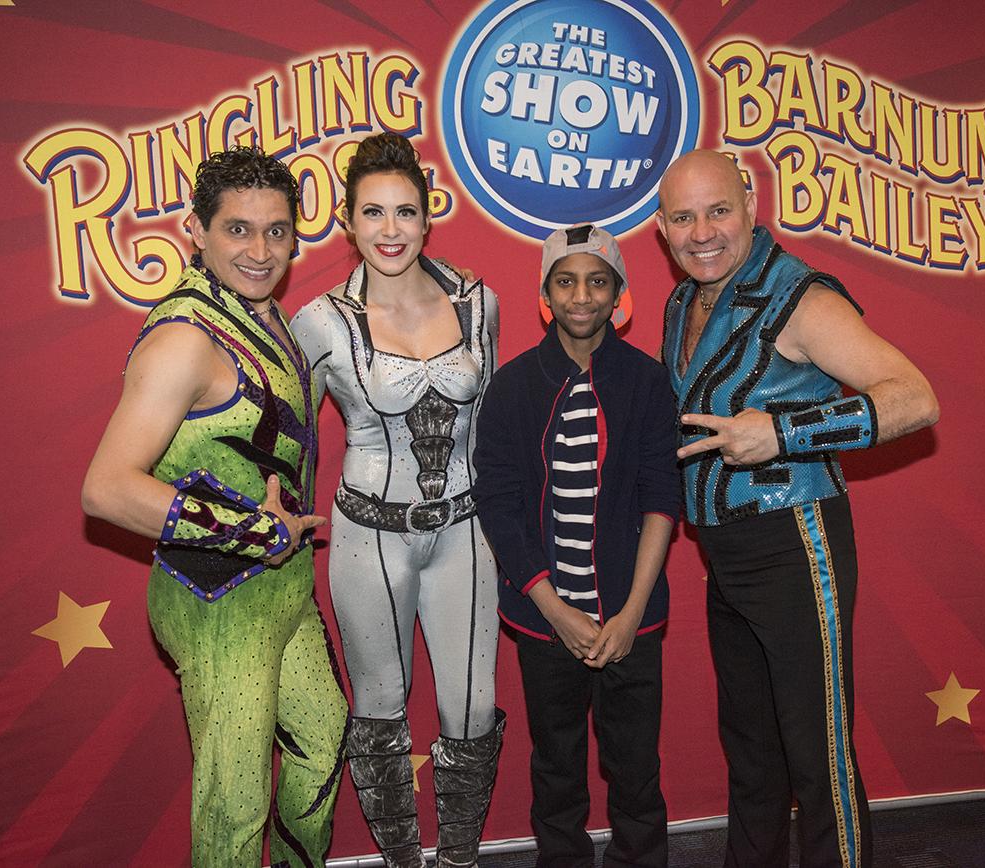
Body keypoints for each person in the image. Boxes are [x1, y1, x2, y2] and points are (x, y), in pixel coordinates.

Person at [655, 150, 939, 868]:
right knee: (752, 751)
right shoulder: (683, 302)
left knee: (818, 757)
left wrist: (784, 433)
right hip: (725, 555)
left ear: (751, 206)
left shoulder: (800, 297)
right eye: (683, 218)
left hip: (796, 541)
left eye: (719, 210)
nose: (702, 232)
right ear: (661, 229)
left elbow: (914, 398)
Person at [81, 147, 348, 867]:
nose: (260, 251)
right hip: (217, 603)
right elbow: (105, 488)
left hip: (284, 590)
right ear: (196, 231)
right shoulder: (184, 339)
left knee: (322, 748)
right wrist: (252, 530)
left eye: (276, 231)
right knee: (235, 804)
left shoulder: (259, 311)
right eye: (238, 229)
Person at [290, 132, 504, 868]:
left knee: (473, 707)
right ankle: (403, 863)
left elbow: (493, 428)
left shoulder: (480, 303)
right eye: (373, 212)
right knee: (381, 706)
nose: (390, 230)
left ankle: (460, 860)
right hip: (368, 536)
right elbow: (291, 439)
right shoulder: (318, 321)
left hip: (465, 530)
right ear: (347, 221)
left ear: (427, 217)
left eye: (405, 212)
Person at [473, 224, 680, 868]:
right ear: (546, 294)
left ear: (618, 292)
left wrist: (632, 613)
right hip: (546, 624)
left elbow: (661, 497)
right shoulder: (512, 386)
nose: (581, 296)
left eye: (597, 282)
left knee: (636, 767)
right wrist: (555, 611)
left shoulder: (647, 381)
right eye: (566, 282)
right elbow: (499, 505)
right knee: (557, 766)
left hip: (630, 621)